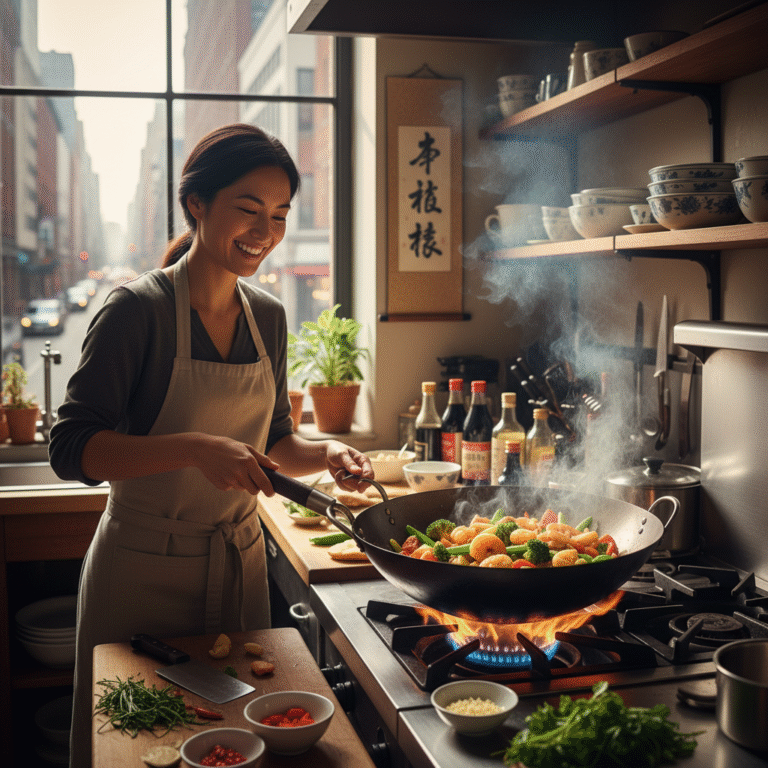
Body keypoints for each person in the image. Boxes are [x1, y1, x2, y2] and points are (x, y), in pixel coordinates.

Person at [49, 123, 373, 768]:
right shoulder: (135, 311)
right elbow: (71, 447)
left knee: (239, 748)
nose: (265, 231)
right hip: (140, 575)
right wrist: (196, 448)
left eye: (279, 215)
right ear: (196, 203)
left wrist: (326, 452)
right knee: (143, 748)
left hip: (238, 570)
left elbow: (275, 439)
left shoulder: (269, 315)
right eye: (248, 209)